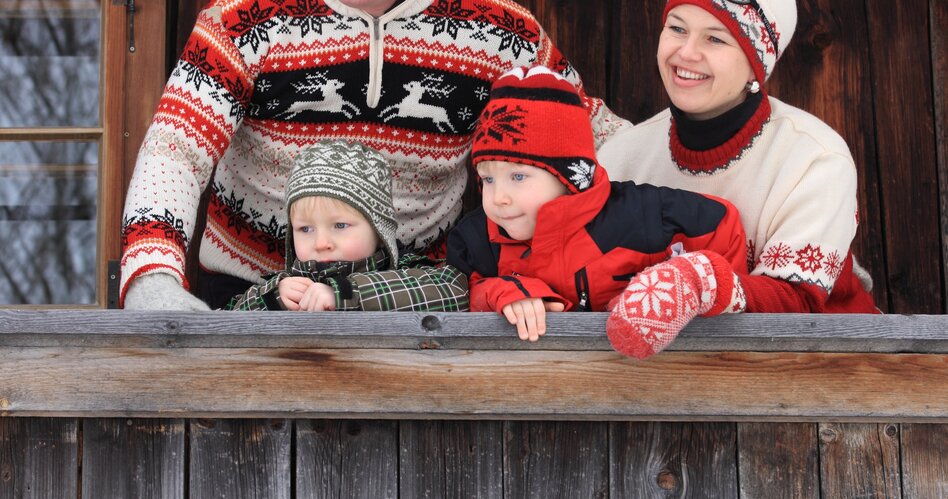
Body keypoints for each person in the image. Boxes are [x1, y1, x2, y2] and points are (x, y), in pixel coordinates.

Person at [119, 0, 628, 311]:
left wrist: (699, 178)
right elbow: (176, 148)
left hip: (418, 298)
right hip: (249, 293)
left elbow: (595, 139)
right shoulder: (242, 17)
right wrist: (152, 278)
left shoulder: (500, 28)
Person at [598, 0, 878, 354]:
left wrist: (703, 284)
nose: (686, 52)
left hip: (824, 367)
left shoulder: (814, 157)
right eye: (677, 28)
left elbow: (798, 302)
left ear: (755, 67)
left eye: (715, 39)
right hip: (651, 375)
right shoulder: (621, 157)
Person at [447, 66, 748, 353]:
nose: (499, 197)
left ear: (568, 178)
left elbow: (720, 225)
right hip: (535, 381)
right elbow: (463, 291)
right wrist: (506, 292)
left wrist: (703, 296)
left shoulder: (637, 217)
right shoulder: (477, 240)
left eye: (519, 177)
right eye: (488, 179)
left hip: (648, 374)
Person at [226, 140, 468, 311]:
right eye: (305, 229)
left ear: (377, 229)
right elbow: (226, 322)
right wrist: (270, 299)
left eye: (340, 225)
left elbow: (454, 290)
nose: (321, 244)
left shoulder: (404, 273)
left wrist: (345, 292)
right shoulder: (286, 286)